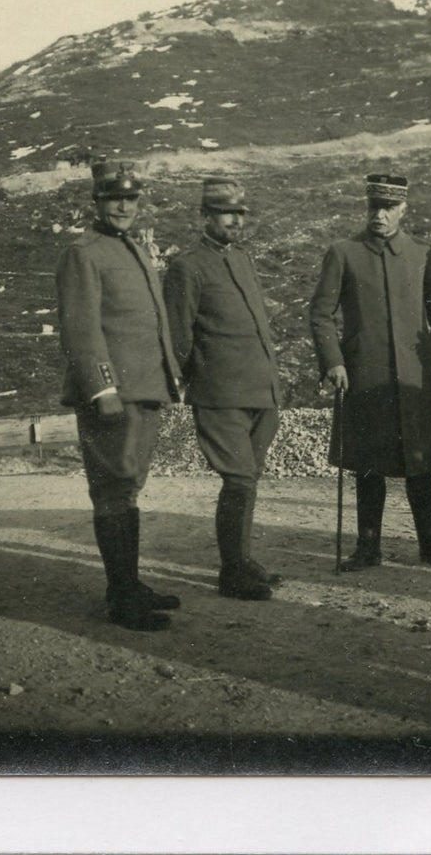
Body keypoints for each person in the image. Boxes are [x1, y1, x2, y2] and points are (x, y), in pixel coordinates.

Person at [309, 173, 431, 571]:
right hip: (365, 373)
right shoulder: (344, 252)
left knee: (420, 461)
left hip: (415, 375)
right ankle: (367, 547)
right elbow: (321, 314)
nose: (379, 214)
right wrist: (334, 361)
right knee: (368, 463)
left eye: (388, 207)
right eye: (373, 206)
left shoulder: (421, 253)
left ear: (403, 210)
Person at [56, 162, 184, 631]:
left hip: (145, 388)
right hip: (114, 394)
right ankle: (122, 598)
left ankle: (128, 583)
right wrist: (102, 386)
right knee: (113, 489)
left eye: (131, 199)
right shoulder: (83, 253)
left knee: (128, 487)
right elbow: (80, 327)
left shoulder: (132, 249)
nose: (125, 207)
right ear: (97, 202)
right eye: (114, 199)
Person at [163, 177, 283, 602]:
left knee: (248, 478)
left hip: (261, 392)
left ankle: (244, 559)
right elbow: (177, 335)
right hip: (220, 393)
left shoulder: (244, 260)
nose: (235, 221)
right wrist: (180, 383)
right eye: (225, 213)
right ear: (205, 216)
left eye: (239, 214)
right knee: (238, 479)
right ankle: (232, 570)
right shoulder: (187, 266)